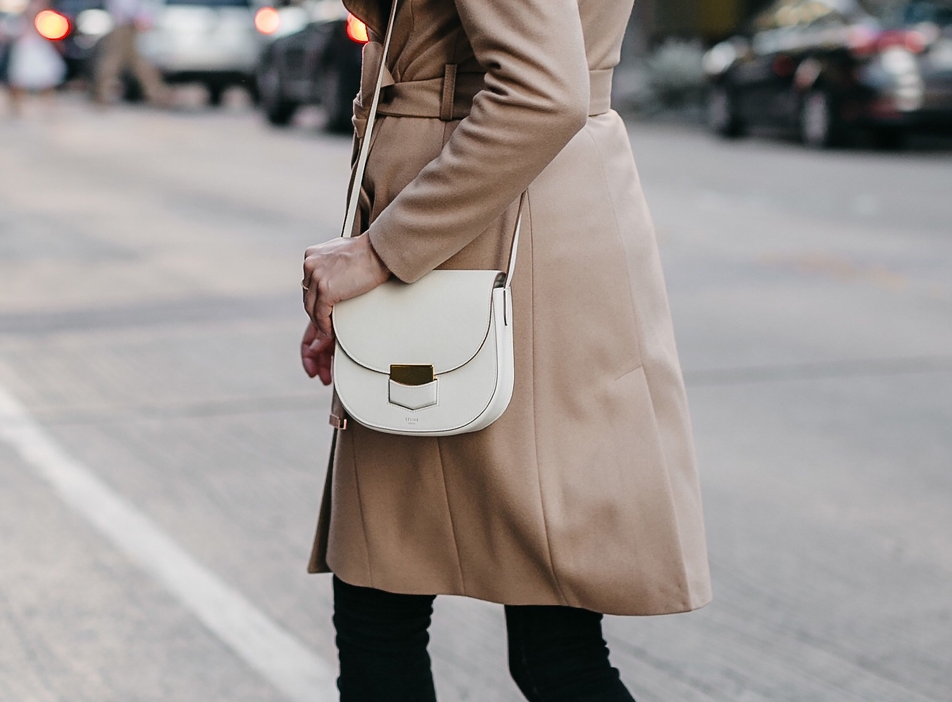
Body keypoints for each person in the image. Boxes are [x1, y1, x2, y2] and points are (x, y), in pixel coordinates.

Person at [300, 0, 711, 699]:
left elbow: (541, 92)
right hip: (499, 229)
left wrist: (381, 252)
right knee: (544, 640)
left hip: (478, 236)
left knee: (390, 613)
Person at [93, 0, 168, 106]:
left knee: (136, 61)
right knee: (114, 60)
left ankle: (155, 93)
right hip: (123, 25)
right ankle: (102, 92)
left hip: (133, 26)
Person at [7, 0, 66, 114]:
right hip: (26, 45)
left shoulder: (45, 11)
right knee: (20, 78)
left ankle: (48, 106)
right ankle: (17, 107)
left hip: (39, 44)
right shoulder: (25, 10)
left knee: (46, 77)